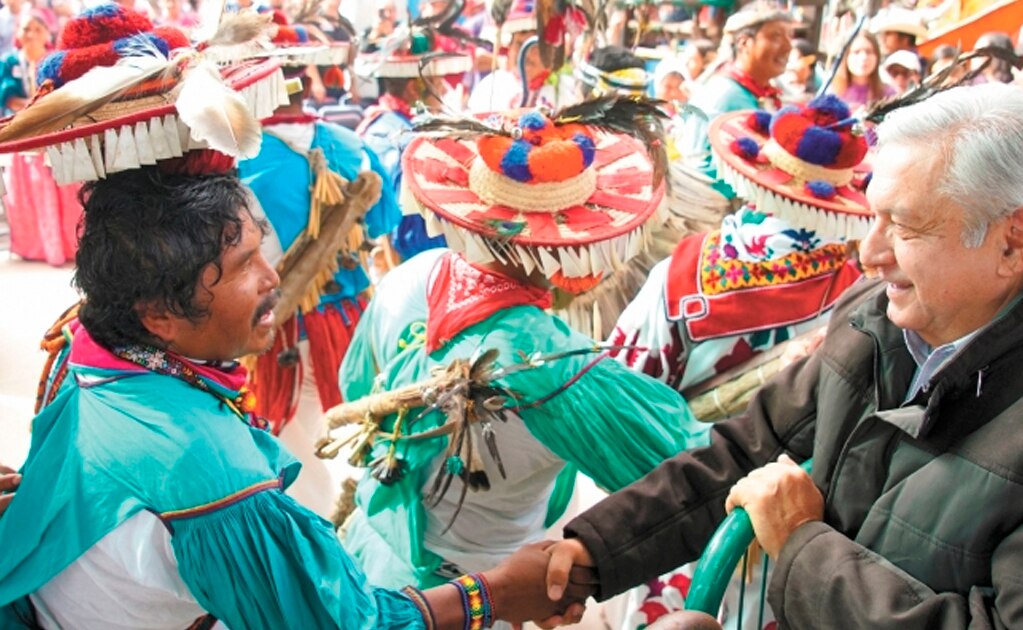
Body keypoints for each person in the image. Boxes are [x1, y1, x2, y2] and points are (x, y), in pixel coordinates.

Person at [0, 6, 581, 629]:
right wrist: (493, 596)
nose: (272, 276)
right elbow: (344, 622)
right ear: (158, 311)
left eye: (260, 247)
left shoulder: (81, 341)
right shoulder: (208, 473)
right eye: (246, 261)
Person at [541, 82, 1023, 629]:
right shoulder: (872, 318)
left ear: (1011, 242)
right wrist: (593, 552)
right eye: (872, 219)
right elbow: (755, 446)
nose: (869, 253)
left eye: (907, 227)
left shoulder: (689, 274)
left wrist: (803, 546)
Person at [333, 100, 711, 596]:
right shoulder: (558, 367)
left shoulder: (407, 279)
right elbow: (695, 476)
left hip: (359, 563)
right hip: (465, 600)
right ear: (577, 241)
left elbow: (355, 388)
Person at [238, 47, 401, 518]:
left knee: (296, 441)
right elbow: (377, 234)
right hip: (357, 317)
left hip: (284, 327)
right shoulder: (354, 145)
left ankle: (319, 541)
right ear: (307, 85)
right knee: (362, 427)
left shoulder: (239, 163)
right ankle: (366, 523)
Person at [355, 25, 472, 261]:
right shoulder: (385, 131)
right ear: (413, 88)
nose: (442, 88)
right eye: (436, 81)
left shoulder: (412, 124)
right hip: (415, 254)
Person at [678, 6, 792, 197]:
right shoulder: (725, 95)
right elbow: (699, 172)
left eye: (790, 36)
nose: (788, 46)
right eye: (776, 37)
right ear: (744, 43)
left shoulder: (758, 92)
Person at [0, 10, 83, 266]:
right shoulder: (9, 62)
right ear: (17, 33)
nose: (31, 34)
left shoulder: (54, 62)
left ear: (47, 33)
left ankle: (67, 246)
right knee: (29, 192)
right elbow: (7, 97)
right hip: (23, 138)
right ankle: (36, 247)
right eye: (26, 29)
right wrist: (32, 108)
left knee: (64, 191)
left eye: (37, 29)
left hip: (53, 134)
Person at [828, 32, 894, 110]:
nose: (863, 57)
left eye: (869, 52)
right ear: (846, 56)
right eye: (856, 52)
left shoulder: (888, 95)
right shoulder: (832, 92)